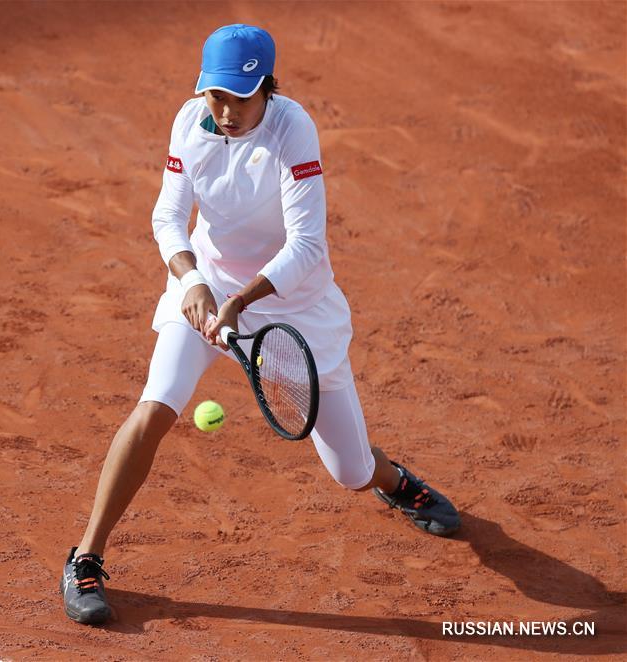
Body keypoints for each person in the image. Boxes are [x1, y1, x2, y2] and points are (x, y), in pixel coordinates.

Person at [60, 23, 460, 625]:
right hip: (207, 287)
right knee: (155, 406)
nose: (224, 111)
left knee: (350, 471)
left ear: (266, 89)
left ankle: (393, 480)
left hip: (290, 303)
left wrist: (241, 301)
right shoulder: (188, 122)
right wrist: (193, 282)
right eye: (214, 96)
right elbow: (168, 215)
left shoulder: (292, 129)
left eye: (238, 98)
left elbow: (305, 244)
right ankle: (85, 558)